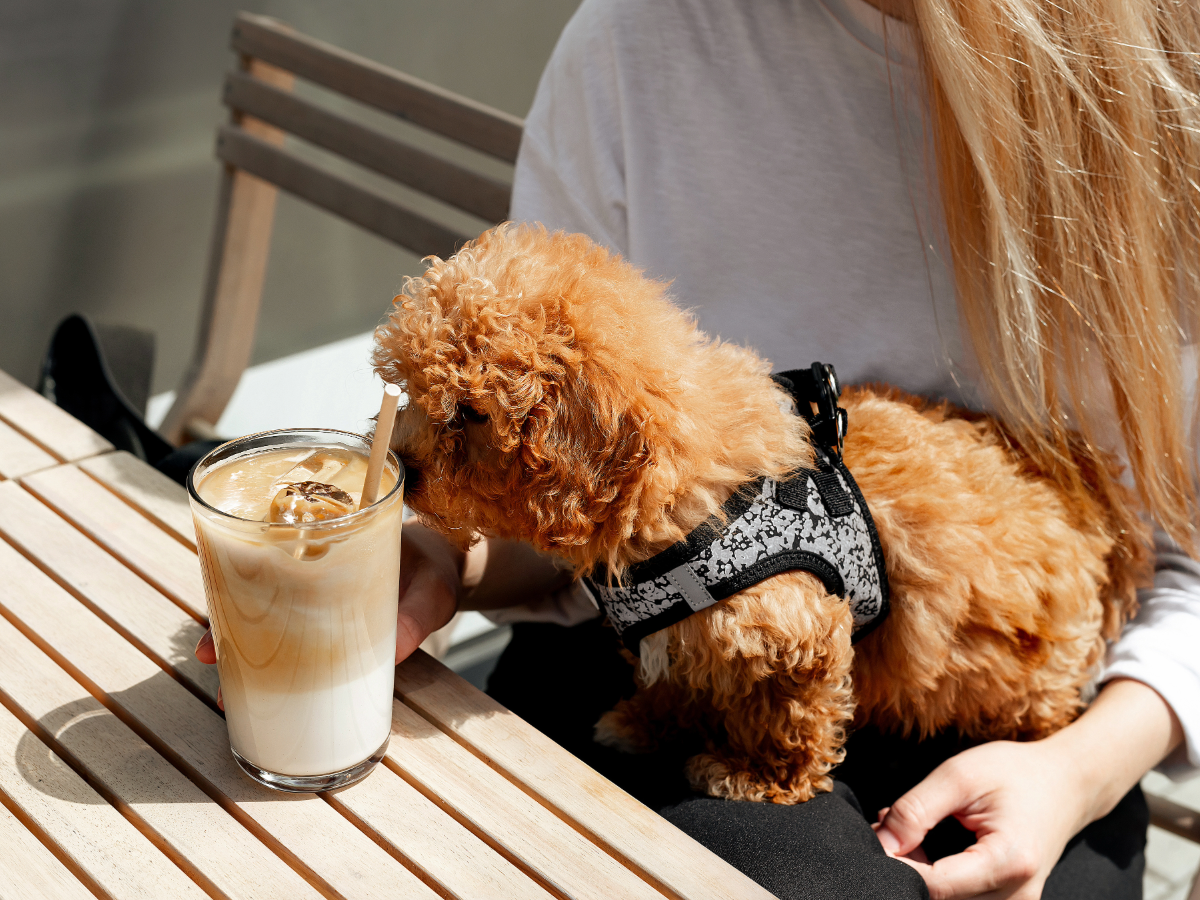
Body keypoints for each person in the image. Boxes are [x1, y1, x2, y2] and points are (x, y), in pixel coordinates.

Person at [197, 0, 1199, 896]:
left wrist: (1081, 771)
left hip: (1029, 733)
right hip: (639, 653)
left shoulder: (1166, 84)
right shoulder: (641, 38)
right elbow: (560, 486)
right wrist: (441, 560)